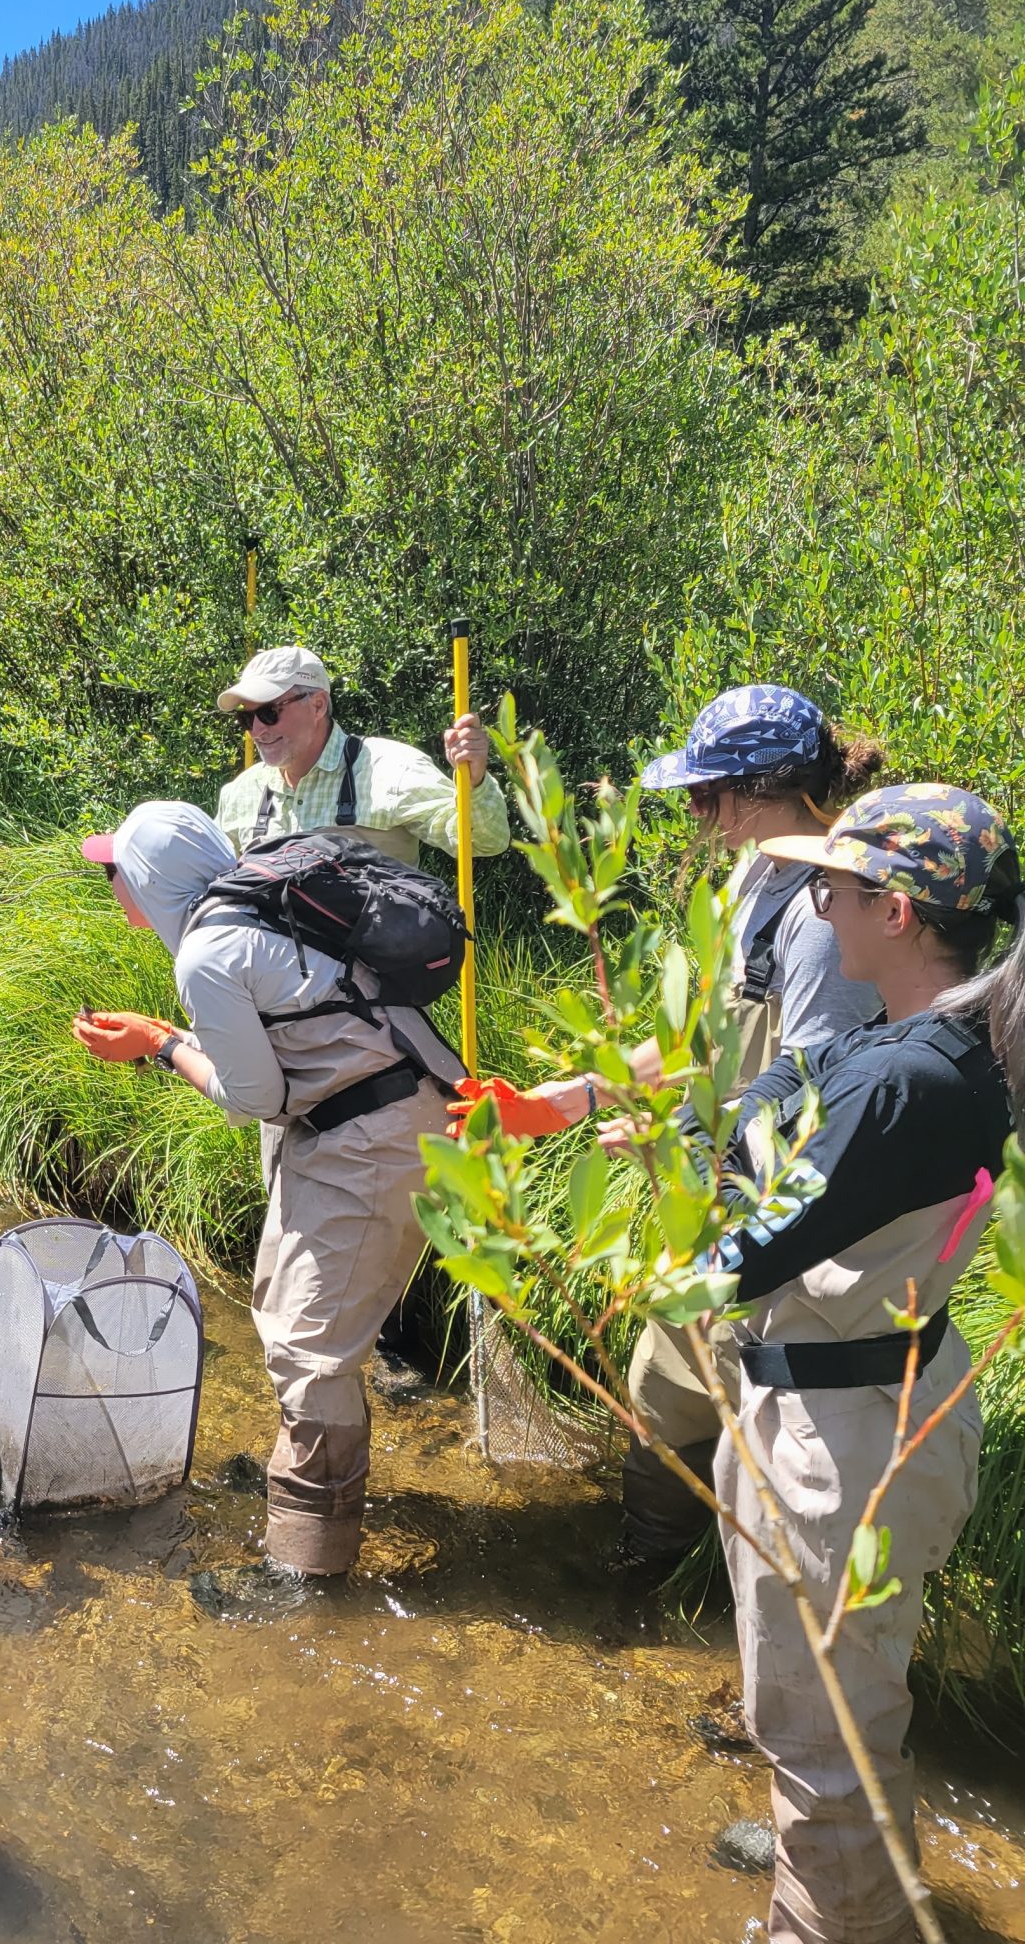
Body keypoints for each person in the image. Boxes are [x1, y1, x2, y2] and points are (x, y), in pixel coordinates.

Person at [686, 785, 1023, 1944]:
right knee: (839, 1697)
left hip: (843, 1437)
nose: (813, 904)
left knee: (827, 1725)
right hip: (872, 1396)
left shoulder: (903, 1084)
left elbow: (730, 1253)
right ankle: (827, 1877)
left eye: (829, 887)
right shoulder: (944, 1039)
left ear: (893, 910)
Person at [528, 686, 886, 1567]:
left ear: (759, 791)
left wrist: (680, 1145)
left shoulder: (821, 914)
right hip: (707, 1200)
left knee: (759, 1427)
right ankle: (645, 1570)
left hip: (781, 1222)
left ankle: (748, 1618)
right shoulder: (755, 874)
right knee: (661, 1393)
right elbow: (703, 1035)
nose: (694, 815)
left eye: (702, 795)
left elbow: (815, 1097)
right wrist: (580, 1095)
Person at [73, 802, 464, 1577]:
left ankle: (309, 1573)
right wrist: (166, 1038)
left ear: (149, 881)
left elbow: (257, 1098)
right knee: (287, 1320)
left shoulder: (210, 952)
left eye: (116, 870)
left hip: (374, 1136)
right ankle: (311, 1502)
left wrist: (159, 1045)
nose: (110, 881)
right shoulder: (254, 911)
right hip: (378, 1117)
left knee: (312, 1352)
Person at [214, 644, 510, 866]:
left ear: (318, 706)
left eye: (268, 713)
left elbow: (484, 842)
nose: (257, 731)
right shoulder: (241, 792)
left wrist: (473, 781)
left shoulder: (392, 770)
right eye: (246, 718)